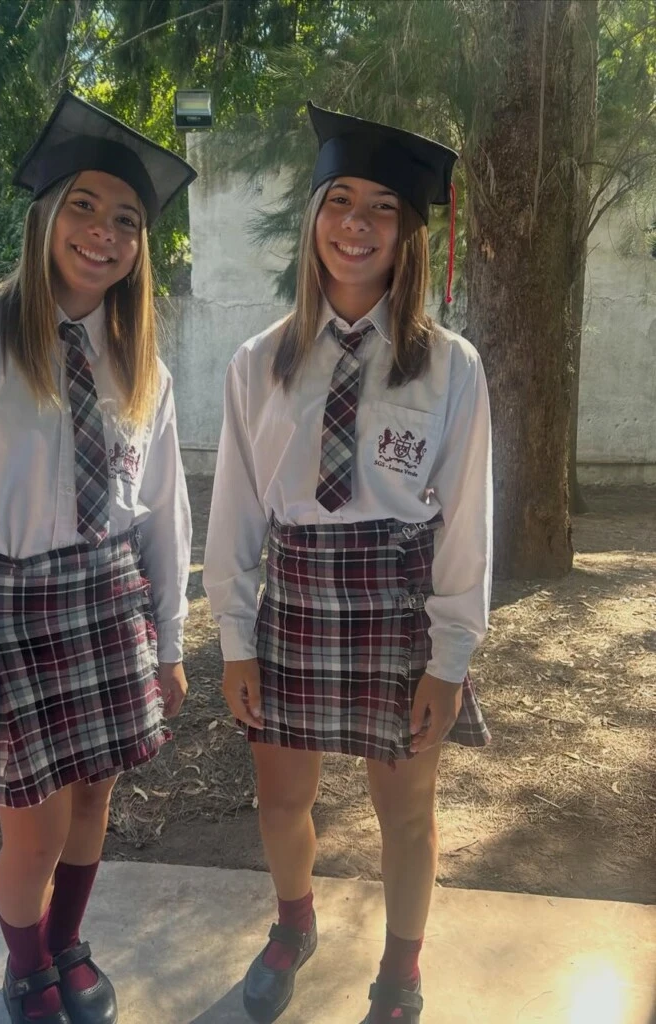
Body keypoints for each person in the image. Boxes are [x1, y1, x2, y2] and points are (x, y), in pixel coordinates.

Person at [0, 92, 196, 1024]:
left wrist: (174, 638)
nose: (103, 234)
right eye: (84, 207)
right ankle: (24, 968)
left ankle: (68, 943)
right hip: (11, 612)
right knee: (30, 830)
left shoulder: (139, 361)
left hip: (110, 604)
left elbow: (163, 510)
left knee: (93, 802)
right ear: (45, 214)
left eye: (125, 220)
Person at [203, 101, 492, 1024]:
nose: (355, 225)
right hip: (291, 606)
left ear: (406, 234)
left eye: (379, 209)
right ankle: (294, 923)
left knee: (405, 811)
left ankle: (400, 972)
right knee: (281, 799)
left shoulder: (449, 368)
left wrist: (451, 658)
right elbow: (237, 510)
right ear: (313, 219)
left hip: (397, 609)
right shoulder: (258, 363)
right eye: (338, 202)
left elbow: (466, 522)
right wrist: (233, 639)